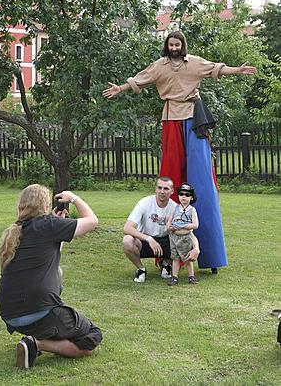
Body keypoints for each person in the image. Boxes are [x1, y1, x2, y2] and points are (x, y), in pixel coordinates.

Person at [103, 29, 257, 272]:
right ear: (167, 46)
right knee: (171, 178)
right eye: (171, 44)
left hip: (194, 120)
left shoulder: (194, 62)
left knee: (202, 183)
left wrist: (238, 70)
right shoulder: (160, 66)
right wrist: (120, 89)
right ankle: (166, 255)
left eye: (177, 44)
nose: (174, 48)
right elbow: (139, 79)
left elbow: (216, 68)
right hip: (170, 120)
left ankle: (210, 256)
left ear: (183, 45)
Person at [0, 184, 102, 369]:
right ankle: (35, 344)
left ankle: (40, 334)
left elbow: (48, 257)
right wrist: (74, 198)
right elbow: (92, 221)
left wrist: (57, 225)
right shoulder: (49, 226)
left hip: (10, 314)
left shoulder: (15, 230)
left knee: (57, 271)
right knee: (91, 337)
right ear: (44, 205)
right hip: (37, 311)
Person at [122, 176, 200, 282]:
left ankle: (166, 263)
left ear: (172, 191)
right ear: (155, 189)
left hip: (167, 241)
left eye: (166, 189)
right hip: (145, 240)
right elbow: (127, 228)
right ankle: (141, 269)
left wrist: (196, 248)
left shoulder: (176, 208)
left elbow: (188, 232)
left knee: (183, 240)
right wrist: (149, 239)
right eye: (159, 188)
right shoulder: (144, 203)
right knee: (127, 240)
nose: (162, 191)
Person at [167, 182, 199, 286]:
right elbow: (169, 221)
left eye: (187, 194)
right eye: (181, 194)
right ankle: (174, 277)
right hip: (174, 237)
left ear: (191, 197)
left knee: (187, 259)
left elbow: (195, 225)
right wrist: (170, 227)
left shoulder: (192, 210)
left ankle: (191, 276)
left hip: (186, 238)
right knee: (175, 259)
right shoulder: (175, 208)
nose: (184, 196)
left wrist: (183, 226)